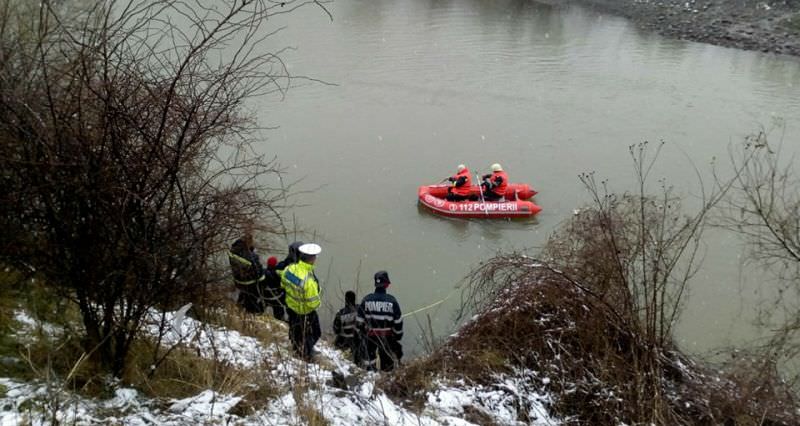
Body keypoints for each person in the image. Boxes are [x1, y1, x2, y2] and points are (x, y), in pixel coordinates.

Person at [280, 242, 322, 359]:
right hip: (305, 312)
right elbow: (314, 303)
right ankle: (305, 354)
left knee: (295, 330)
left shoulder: (289, 269)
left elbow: (283, 283)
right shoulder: (309, 281)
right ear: (312, 259)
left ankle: (296, 347)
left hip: (291, 308)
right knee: (315, 332)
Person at [357, 270, 403, 372]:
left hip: (370, 337)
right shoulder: (392, 301)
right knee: (387, 364)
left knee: (369, 362)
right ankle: (384, 381)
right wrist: (397, 336)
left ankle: (369, 378)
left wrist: (362, 333)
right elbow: (398, 323)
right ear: (386, 285)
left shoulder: (366, 300)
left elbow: (359, 322)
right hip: (387, 337)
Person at [228, 234, 266, 314]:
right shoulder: (252, 257)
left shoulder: (233, 251)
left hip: (238, 280)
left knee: (244, 293)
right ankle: (251, 312)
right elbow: (257, 272)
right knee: (252, 298)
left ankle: (239, 305)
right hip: (249, 283)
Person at [333, 290, 363, 365]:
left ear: (345, 300)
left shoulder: (340, 313)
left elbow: (336, 330)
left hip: (344, 343)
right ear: (354, 299)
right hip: (357, 342)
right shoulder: (360, 309)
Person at [262, 256, 286, 321]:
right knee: (279, 315)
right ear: (275, 264)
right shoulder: (278, 275)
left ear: (267, 264)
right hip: (276, 298)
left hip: (265, 297)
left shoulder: (263, 272)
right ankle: (280, 320)